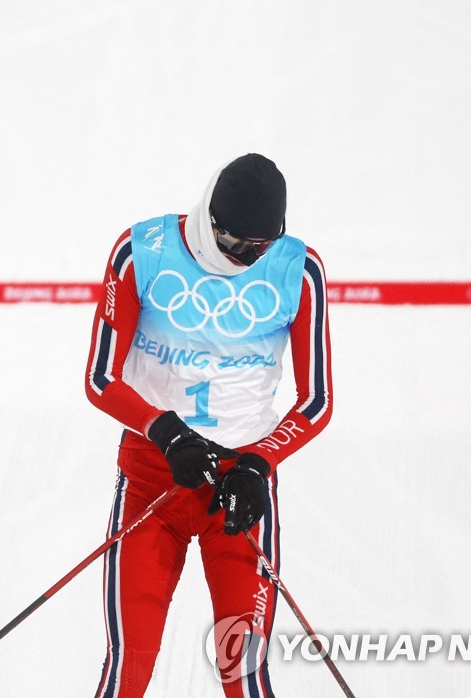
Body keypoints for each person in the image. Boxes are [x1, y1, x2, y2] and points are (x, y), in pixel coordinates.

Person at [84, 154, 333, 698]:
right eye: (233, 245)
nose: (245, 260)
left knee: (244, 674)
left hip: (238, 489)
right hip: (156, 479)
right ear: (209, 219)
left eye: (259, 249)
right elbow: (100, 378)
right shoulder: (141, 252)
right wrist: (165, 432)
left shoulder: (299, 269)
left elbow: (317, 401)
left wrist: (258, 463)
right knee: (128, 669)